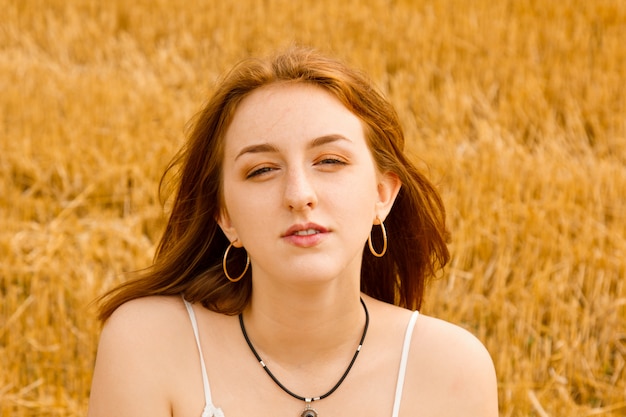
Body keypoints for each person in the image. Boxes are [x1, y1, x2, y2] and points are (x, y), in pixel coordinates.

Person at [87, 46, 498, 417]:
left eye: (330, 161)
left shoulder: (452, 371)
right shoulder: (148, 345)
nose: (299, 195)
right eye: (262, 169)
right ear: (224, 215)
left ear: (382, 195)